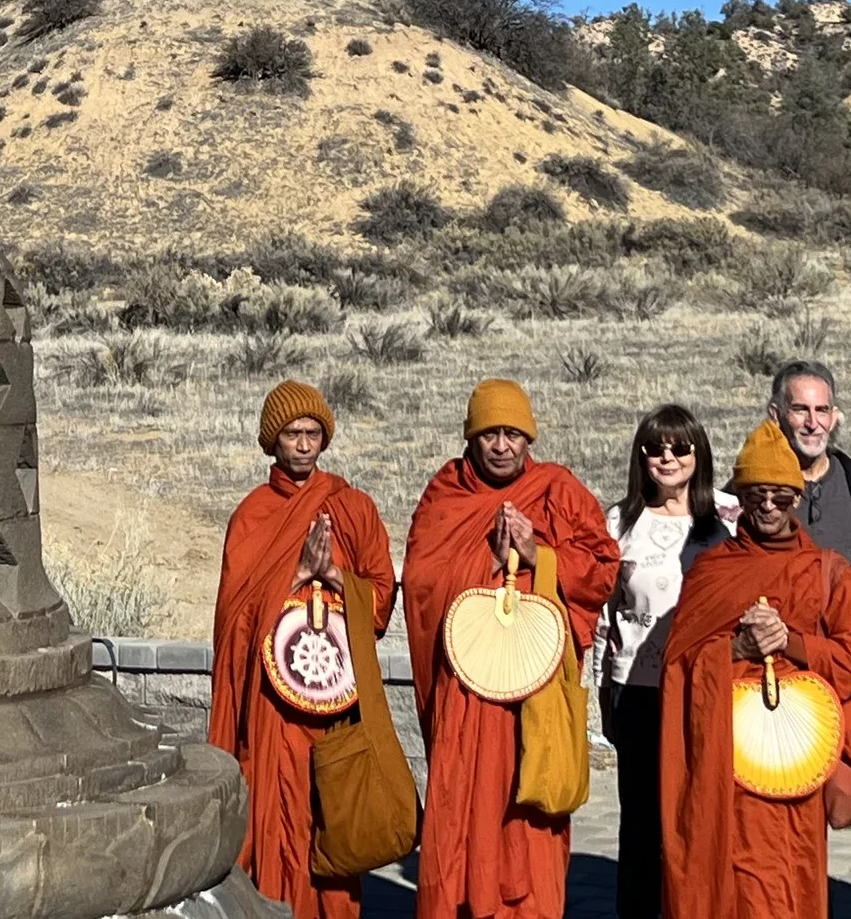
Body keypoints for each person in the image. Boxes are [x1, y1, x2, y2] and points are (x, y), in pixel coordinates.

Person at [404, 380, 620, 919]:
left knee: (529, 819)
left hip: (533, 693)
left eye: (513, 434)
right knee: (461, 813)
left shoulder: (558, 489)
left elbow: (602, 572)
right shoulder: (445, 495)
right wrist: (483, 571)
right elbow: (425, 582)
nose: (501, 445)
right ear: (470, 438)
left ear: (529, 438)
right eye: (489, 434)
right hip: (466, 693)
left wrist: (536, 554)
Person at [660, 422, 851, 919]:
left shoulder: (827, 572)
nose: (767, 506)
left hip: (797, 762)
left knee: (788, 876)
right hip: (726, 762)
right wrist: (734, 648)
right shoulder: (712, 570)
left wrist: (796, 643)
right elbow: (679, 665)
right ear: (740, 498)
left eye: (780, 496)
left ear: (796, 499)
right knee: (732, 876)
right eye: (756, 495)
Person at [210, 381, 401, 919]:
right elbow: (233, 623)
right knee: (274, 812)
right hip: (274, 706)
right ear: (272, 442)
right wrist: (295, 575)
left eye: (313, 433)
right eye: (292, 434)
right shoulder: (252, 515)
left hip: (334, 701)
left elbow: (383, 599)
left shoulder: (353, 508)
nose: (303, 445)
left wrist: (337, 578)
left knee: (331, 813)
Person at [598, 406, 738, 919]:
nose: (668, 457)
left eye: (680, 447)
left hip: (708, 687)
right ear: (641, 456)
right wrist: (603, 692)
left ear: (698, 453)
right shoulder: (619, 521)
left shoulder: (729, 517)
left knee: (697, 810)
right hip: (638, 686)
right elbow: (603, 615)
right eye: (655, 448)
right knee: (641, 818)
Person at [769, 360, 851, 598]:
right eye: (800, 410)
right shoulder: (750, 494)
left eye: (821, 410)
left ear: (833, 417)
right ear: (776, 415)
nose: (812, 423)